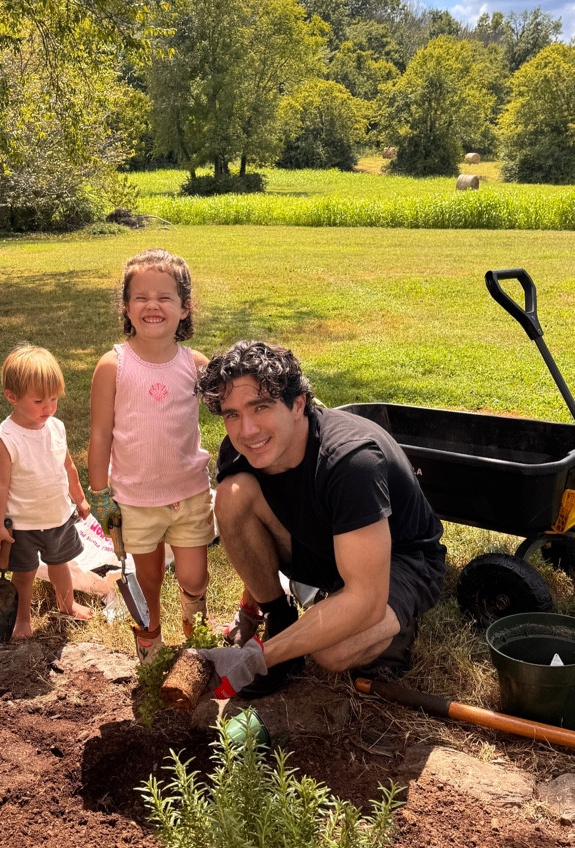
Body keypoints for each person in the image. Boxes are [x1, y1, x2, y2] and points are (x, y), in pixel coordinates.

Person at [195, 340, 446, 698]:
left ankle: (394, 627)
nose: (246, 430)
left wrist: (258, 658)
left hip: (401, 559)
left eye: (260, 407)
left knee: (332, 651)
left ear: (298, 404)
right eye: (232, 414)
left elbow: (364, 597)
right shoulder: (243, 450)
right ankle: (281, 619)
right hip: (326, 543)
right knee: (232, 498)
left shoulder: (350, 462)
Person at [88, 249, 215, 663]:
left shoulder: (196, 365)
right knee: (146, 579)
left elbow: (238, 403)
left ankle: (196, 644)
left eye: (165, 297)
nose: (152, 305)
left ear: (184, 308)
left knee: (195, 576)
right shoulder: (113, 365)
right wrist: (100, 494)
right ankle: (151, 646)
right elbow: (100, 435)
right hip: (135, 500)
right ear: (126, 307)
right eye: (140, 297)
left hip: (190, 494)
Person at [0, 342, 93, 638]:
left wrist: (80, 499)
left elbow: (68, 467)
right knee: (23, 575)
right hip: (22, 524)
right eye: (39, 401)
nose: (48, 407)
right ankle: (22, 620)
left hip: (58, 516)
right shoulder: (5, 439)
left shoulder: (56, 427)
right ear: (12, 397)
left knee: (61, 565)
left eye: (53, 398)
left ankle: (67, 605)